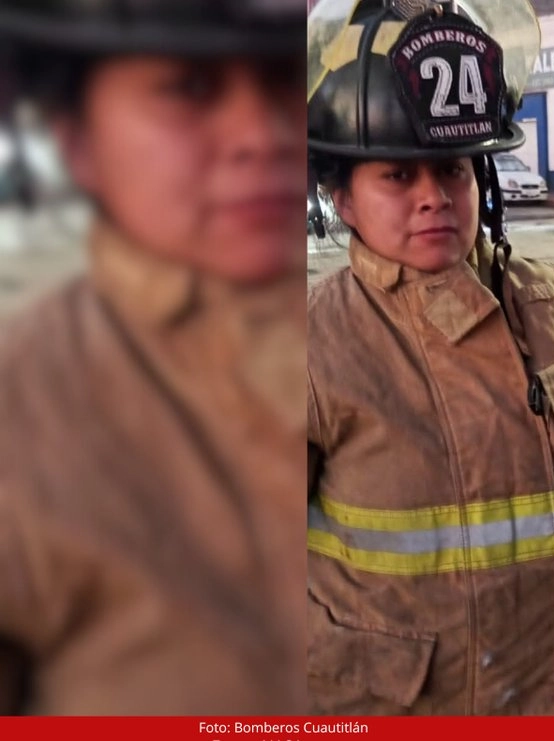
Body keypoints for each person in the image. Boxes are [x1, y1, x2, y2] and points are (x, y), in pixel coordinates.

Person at [304, 1, 554, 736]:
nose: (434, 195)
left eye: (454, 170)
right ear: (341, 197)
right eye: (398, 175)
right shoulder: (304, 346)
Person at [0, 0, 309, 714]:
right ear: (77, 140)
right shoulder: (24, 417)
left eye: (283, 82)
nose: (261, 136)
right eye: (190, 87)